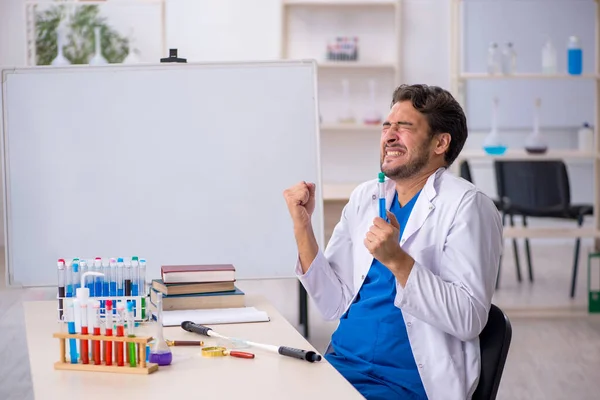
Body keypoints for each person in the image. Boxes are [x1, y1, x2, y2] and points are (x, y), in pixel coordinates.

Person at [283, 84, 503, 400]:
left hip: (405, 386)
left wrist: (398, 260)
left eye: (404, 127)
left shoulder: (468, 205)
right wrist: (302, 227)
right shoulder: (367, 196)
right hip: (339, 368)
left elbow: (468, 318)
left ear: (441, 142)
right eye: (387, 126)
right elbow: (332, 302)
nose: (389, 135)